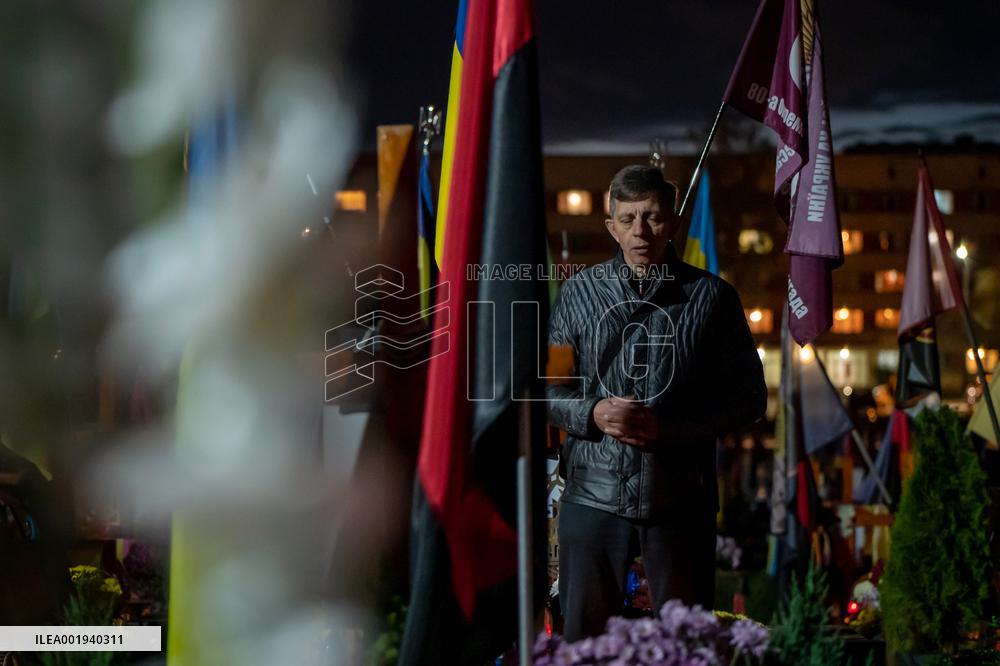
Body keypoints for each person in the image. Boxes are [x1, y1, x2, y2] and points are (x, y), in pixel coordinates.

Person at [547, 165, 766, 640]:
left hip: (680, 499)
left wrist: (668, 428)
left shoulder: (712, 298)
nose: (640, 231)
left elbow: (749, 399)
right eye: (627, 219)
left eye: (652, 217)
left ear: (672, 222)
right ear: (611, 226)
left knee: (684, 645)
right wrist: (594, 413)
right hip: (593, 496)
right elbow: (546, 391)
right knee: (584, 641)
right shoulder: (576, 294)